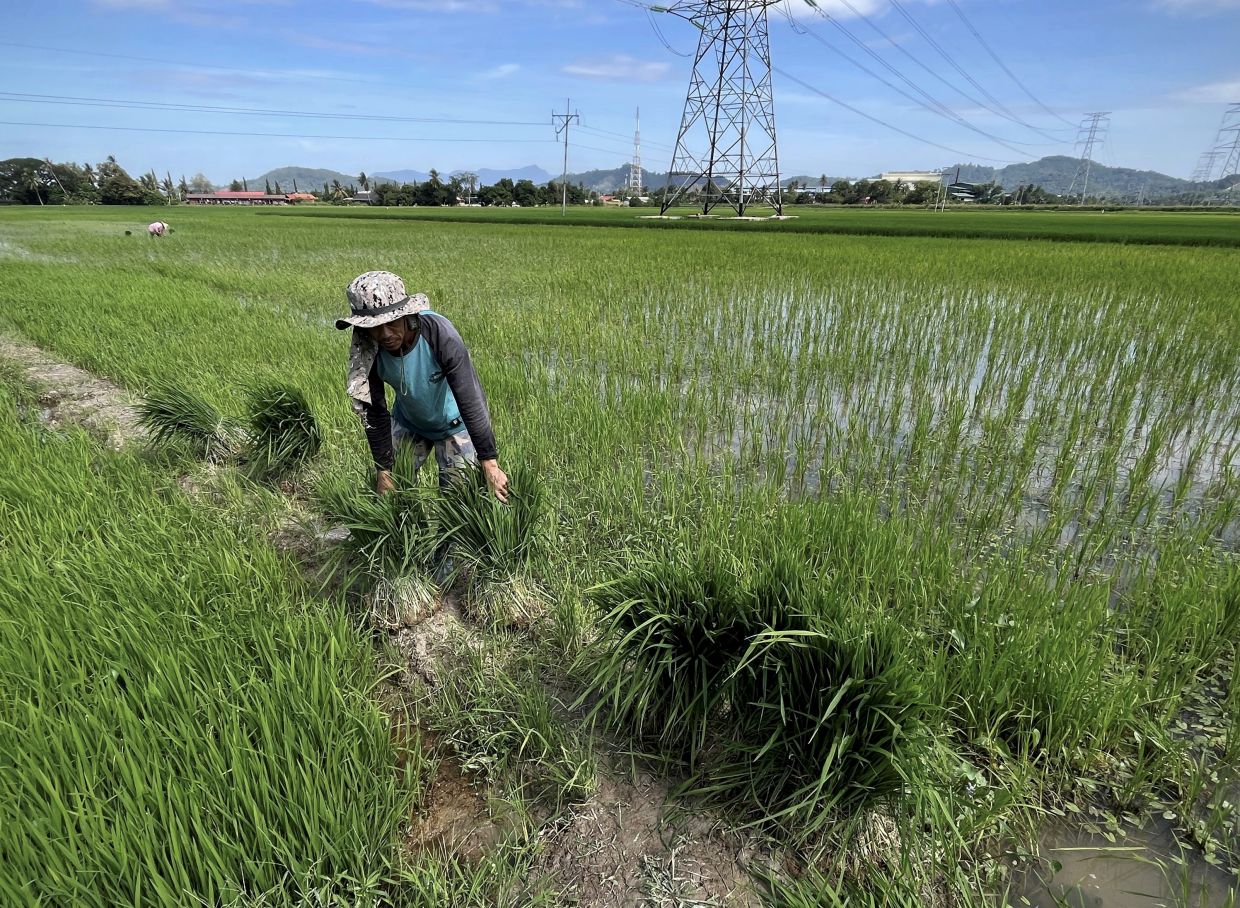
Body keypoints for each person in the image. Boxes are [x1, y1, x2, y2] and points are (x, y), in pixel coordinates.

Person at [336, 270, 508, 502]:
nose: (385, 334)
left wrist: (489, 461)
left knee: (459, 503)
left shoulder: (439, 334)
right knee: (391, 490)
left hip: (455, 425)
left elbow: (470, 397)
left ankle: (449, 539)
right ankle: (403, 534)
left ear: (406, 314)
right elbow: (373, 410)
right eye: (375, 327)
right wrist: (383, 469)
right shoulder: (367, 346)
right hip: (409, 421)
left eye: (391, 322)